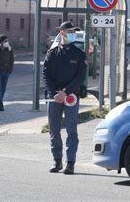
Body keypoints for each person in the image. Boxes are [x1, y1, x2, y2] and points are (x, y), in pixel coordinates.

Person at [43, 21, 87, 175]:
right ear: (62, 33)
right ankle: (57, 161)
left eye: (74, 31)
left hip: (71, 97)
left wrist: (65, 92)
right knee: (54, 130)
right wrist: (55, 93)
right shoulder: (52, 53)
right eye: (70, 31)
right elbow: (46, 75)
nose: (73, 34)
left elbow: (80, 77)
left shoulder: (79, 54)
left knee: (71, 130)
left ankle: (70, 163)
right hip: (54, 97)